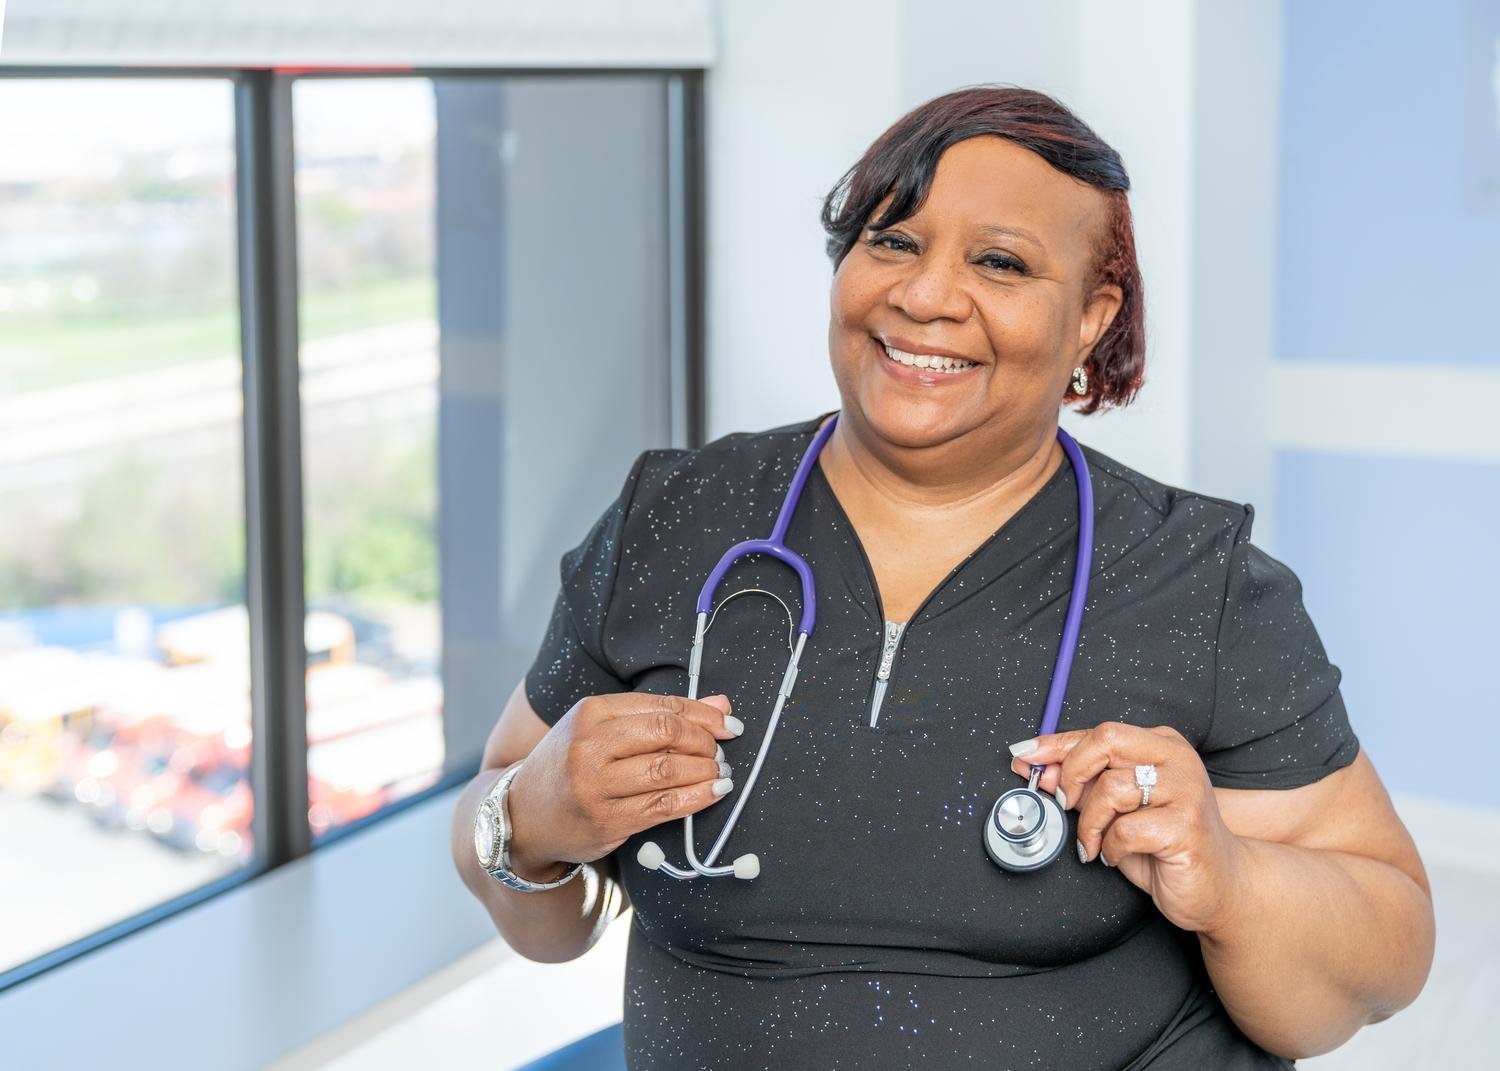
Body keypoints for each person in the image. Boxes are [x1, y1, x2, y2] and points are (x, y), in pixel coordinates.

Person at [451, 86, 1434, 1069]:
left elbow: (1387, 947)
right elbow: (534, 893)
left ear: (1092, 320)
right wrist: (528, 818)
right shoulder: (674, 518)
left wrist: (1229, 878)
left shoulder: (1197, 580)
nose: (924, 296)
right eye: (892, 242)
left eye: (999, 262)